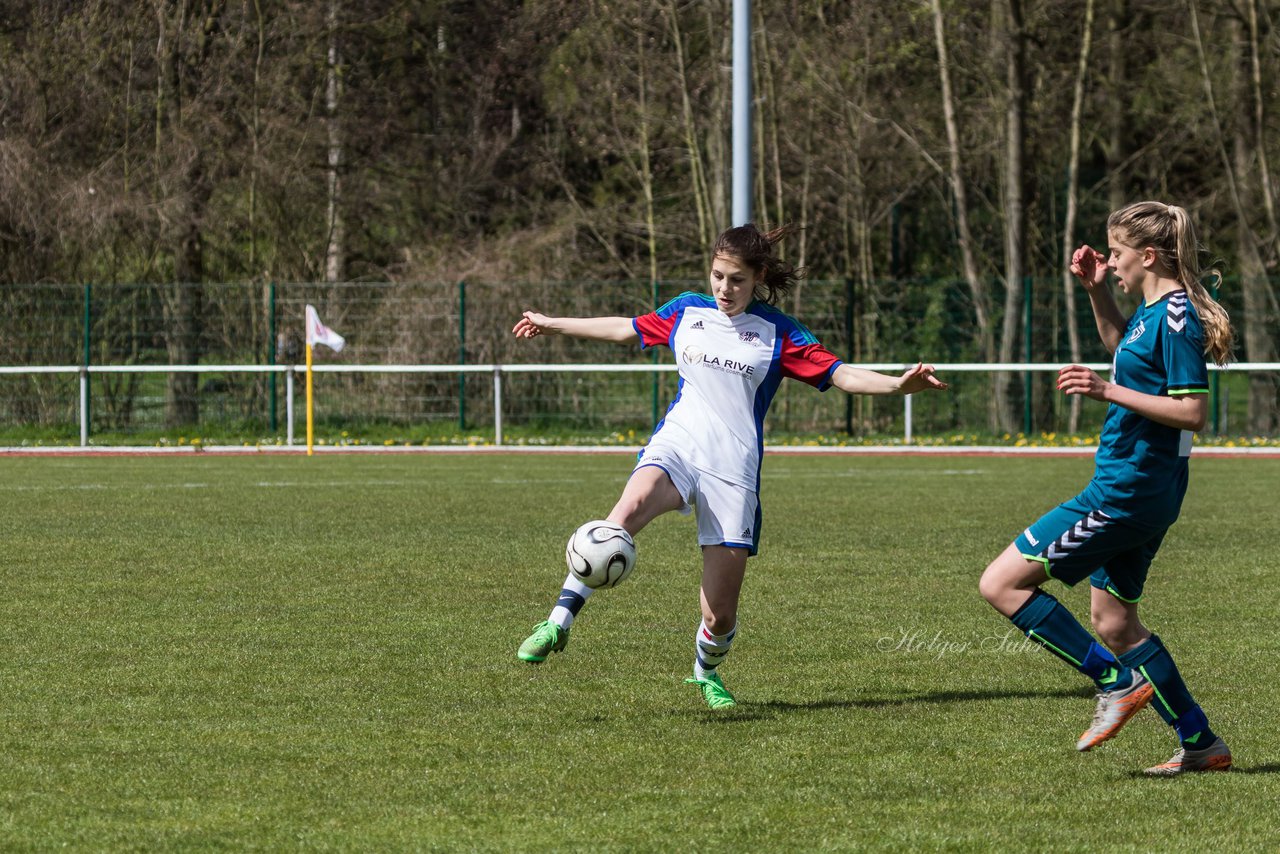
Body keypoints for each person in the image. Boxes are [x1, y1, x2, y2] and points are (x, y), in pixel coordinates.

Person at [513, 223, 947, 709]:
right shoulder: (687, 310)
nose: (724, 288)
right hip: (678, 445)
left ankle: (705, 673)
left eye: (736, 280)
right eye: (718, 276)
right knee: (625, 511)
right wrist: (552, 323)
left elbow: (840, 373)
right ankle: (556, 623)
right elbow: (625, 327)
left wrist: (896, 385)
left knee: (719, 615)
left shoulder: (778, 332)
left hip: (733, 472)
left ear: (757, 277)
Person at [978, 201, 1235, 775]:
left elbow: (1191, 411)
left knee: (1001, 584)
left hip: (1127, 491)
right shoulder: (1150, 312)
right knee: (1116, 622)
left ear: (1147, 256)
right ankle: (1201, 744)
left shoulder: (1175, 318)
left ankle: (1114, 683)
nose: (1110, 261)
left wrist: (1103, 392)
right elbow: (1127, 356)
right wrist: (1097, 291)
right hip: (1142, 490)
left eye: (1116, 254)